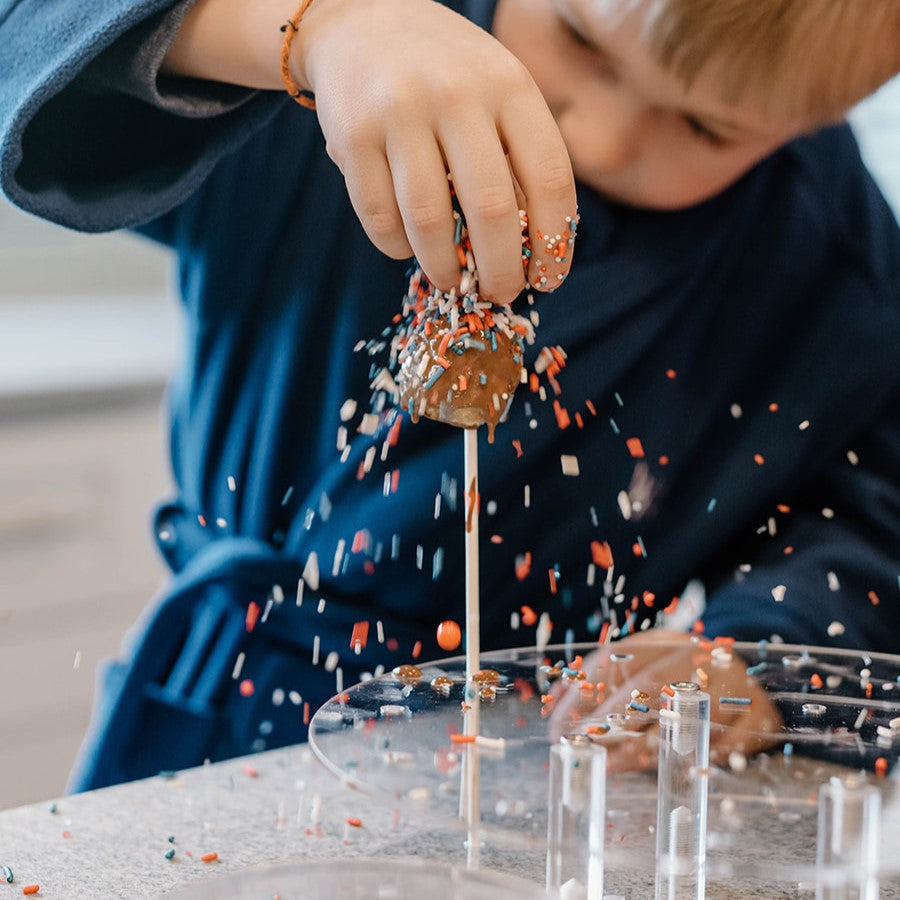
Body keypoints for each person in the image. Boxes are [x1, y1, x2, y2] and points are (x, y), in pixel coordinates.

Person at [0, 0, 897, 791]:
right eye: (581, 42)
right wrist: (310, 31)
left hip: (547, 758)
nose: (602, 137)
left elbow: (866, 510)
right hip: (211, 711)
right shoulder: (357, 41)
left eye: (705, 128)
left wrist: (755, 650)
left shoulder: (824, 247)